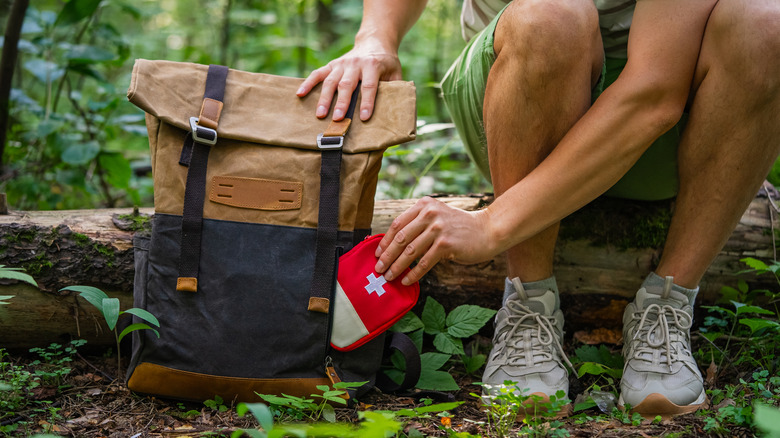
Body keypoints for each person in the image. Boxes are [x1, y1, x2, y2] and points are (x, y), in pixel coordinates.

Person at [296, 0, 780, 416]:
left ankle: (669, 304)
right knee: (550, 15)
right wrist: (377, 38)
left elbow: (655, 92)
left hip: (670, 130)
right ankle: (530, 305)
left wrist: (490, 226)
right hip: (517, 94)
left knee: (767, 23)